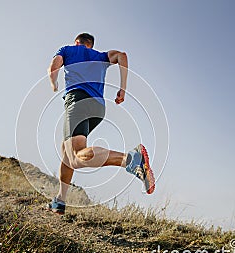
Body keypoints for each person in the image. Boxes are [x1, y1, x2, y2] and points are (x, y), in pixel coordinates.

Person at [46, 33, 154, 215]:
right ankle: (60, 200)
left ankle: (131, 159)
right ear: (91, 44)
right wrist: (123, 89)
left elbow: (53, 67)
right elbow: (123, 56)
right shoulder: (101, 56)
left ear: (77, 42)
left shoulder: (68, 50)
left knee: (75, 156)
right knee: (67, 151)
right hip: (98, 107)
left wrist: (54, 83)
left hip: (77, 100)